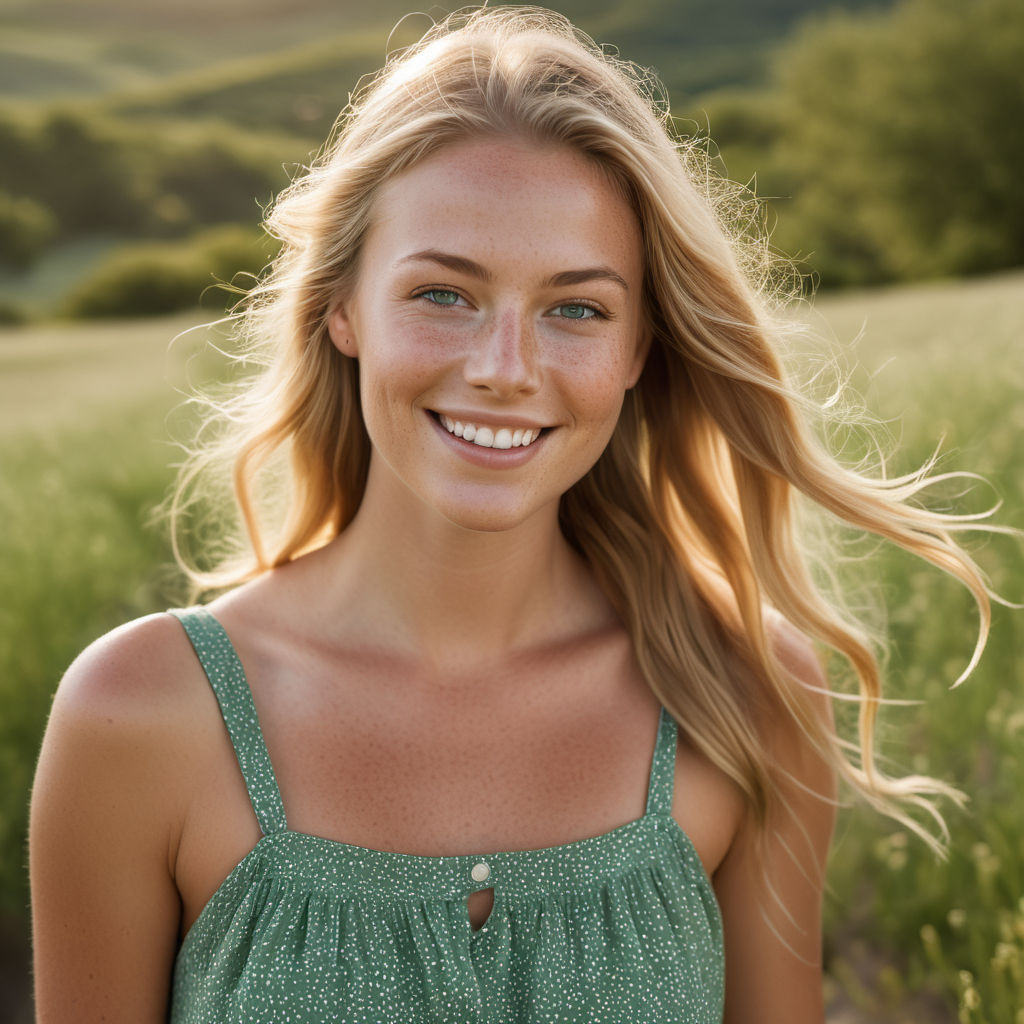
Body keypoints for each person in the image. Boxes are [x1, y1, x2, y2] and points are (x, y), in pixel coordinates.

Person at [29, 7, 997, 1023]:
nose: (502, 369)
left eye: (576, 308)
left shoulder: (740, 694)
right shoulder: (142, 715)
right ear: (342, 306)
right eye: (444, 293)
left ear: (635, 352)